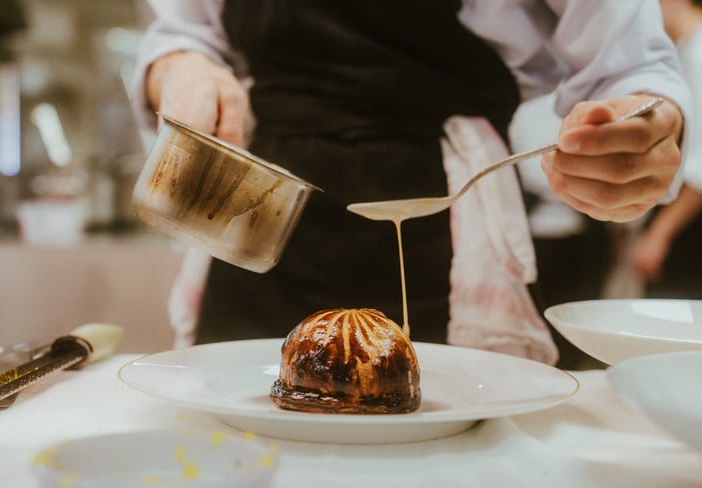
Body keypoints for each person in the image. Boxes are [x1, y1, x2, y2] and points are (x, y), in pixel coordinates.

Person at [131, 1, 690, 360]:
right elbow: (182, 32)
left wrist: (643, 131)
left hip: (448, 225)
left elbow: (633, 70)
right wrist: (181, 67)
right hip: (256, 225)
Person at [631, 0, 702, 297]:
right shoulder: (686, 51)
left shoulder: (698, 53)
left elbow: (700, 168)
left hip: (689, 225)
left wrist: (660, 232)